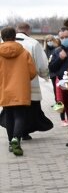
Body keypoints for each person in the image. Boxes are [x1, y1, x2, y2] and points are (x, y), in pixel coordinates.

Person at [0, 27, 36, 156]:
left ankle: (11, 142)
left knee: (8, 116)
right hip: (21, 89)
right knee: (20, 116)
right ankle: (16, 139)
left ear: (2, 37)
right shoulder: (24, 52)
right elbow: (32, 72)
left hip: (4, 89)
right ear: (14, 37)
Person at [14, 23, 52, 138]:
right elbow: (41, 64)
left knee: (14, 111)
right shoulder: (33, 43)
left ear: (17, 30)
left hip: (10, 85)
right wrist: (45, 75)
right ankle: (24, 132)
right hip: (30, 83)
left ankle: (15, 135)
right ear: (28, 30)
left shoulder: (4, 43)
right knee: (29, 110)